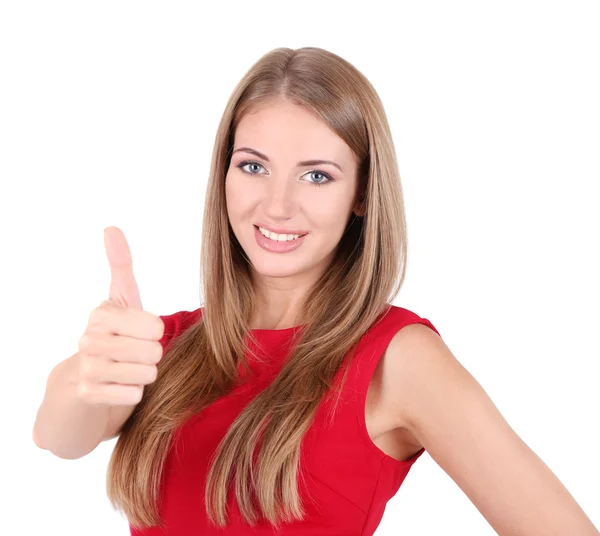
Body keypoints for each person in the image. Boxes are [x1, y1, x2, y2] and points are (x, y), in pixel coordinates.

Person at [33, 46, 599, 535]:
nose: (277, 205)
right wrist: (87, 374)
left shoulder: (397, 358)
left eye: (317, 175)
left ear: (362, 194)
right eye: (253, 167)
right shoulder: (164, 345)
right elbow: (57, 438)